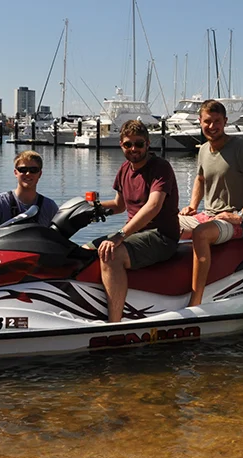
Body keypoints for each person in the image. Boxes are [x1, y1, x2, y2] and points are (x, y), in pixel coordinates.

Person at [179, 99, 243, 307]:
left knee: (200, 234)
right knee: (167, 224)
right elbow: (200, 179)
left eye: (217, 121)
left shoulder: (240, 148)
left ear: (225, 122)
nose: (212, 126)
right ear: (200, 122)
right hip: (207, 215)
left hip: (236, 222)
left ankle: (196, 301)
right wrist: (193, 206)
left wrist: (241, 215)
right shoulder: (203, 149)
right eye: (207, 121)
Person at [90, 120, 181, 323]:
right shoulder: (124, 169)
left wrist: (120, 235)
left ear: (147, 144)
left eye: (139, 144)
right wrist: (88, 209)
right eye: (128, 144)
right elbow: (119, 205)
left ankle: (114, 323)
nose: (134, 149)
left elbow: (153, 206)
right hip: (136, 234)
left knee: (111, 255)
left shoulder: (160, 168)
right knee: (85, 251)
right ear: (121, 145)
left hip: (162, 236)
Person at [0, 150, 58, 243]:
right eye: (23, 170)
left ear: (40, 174)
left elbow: (60, 237)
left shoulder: (49, 206)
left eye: (33, 170)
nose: (28, 174)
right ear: (15, 172)